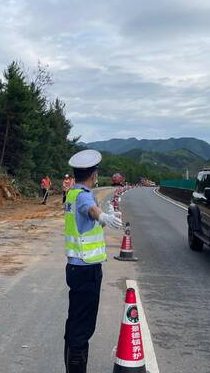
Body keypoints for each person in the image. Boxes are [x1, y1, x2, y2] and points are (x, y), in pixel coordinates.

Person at [63, 149, 123, 373]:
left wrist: (105, 218)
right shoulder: (84, 195)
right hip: (87, 270)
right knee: (82, 329)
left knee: (74, 324)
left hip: (75, 267)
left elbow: (87, 221)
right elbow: (89, 209)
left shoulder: (71, 194)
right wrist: (102, 214)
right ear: (93, 174)